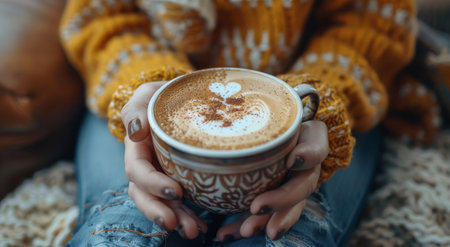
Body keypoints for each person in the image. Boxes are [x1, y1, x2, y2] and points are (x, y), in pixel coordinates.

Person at [59, 0, 442, 246]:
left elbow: (371, 19)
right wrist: (149, 86)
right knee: (122, 231)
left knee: (286, 235)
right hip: (139, 86)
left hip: (323, 98)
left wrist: (319, 102)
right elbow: (101, 17)